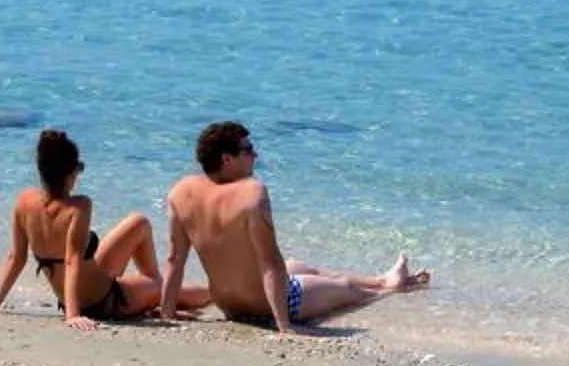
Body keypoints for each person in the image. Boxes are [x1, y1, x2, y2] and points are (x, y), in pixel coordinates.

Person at [161, 120, 428, 333]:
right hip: (268, 305)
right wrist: (284, 325)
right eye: (247, 150)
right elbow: (270, 262)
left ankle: (382, 277)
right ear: (227, 159)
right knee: (346, 288)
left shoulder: (180, 193)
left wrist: (167, 313)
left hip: (228, 305)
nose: (255, 155)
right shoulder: (252, 194)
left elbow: (175, 260)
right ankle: (391, 287)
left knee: (299, 266)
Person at [0, 128, 195, 330]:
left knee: (139, 222)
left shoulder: (24, 201)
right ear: (71, 173)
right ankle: (164, 296)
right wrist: (73, 315)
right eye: (79, 169)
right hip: (104, 301)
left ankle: (154, 296)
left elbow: (16, 257)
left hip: (84, 287)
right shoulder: (79, 206)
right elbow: (72, 259)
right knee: (165, 287)